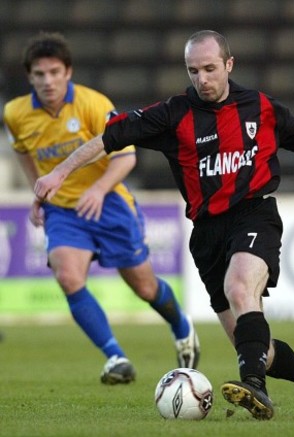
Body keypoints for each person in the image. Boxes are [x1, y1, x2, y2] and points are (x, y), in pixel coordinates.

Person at [34, 30, 294, 420]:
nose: (202, 79)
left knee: (239, 286)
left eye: (210, 68)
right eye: (193, 70)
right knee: (256, 351)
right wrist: (58, 173)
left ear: (229, 65)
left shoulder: (260, 107)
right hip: (207, 232)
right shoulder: (172, 114)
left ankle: (254, 389)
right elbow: (108, 138)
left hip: (254, 213)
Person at [3, 32, 200, 384]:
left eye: (54, 72)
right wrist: (40, 192)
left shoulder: (93, 104)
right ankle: (115, 357)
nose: (47, 81)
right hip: (63, 210)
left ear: (68, 72)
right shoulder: (16, 113)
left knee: (144, 288)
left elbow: (126, 158)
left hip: (109, 203)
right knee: (67, 276)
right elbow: (22, 150)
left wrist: (97, 189)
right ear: (29, 77)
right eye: (39, 74)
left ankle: (181, 326)